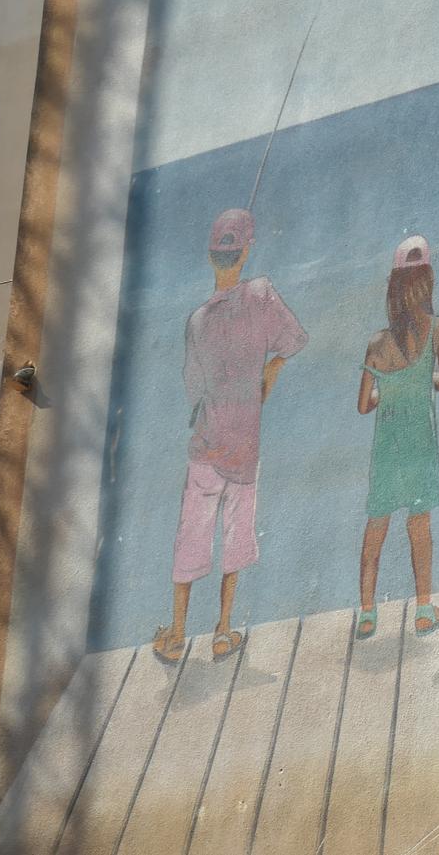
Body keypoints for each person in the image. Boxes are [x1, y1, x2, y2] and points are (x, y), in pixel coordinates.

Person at [154, 208, 306, 664]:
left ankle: (177, 633)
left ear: (210, 257)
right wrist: (262, 386)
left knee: (191, 536)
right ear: (246, 252)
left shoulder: (196, 321)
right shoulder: (261, 295)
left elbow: (193, 388)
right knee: (236, 537)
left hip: (206, 445)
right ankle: (222, 631)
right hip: (245, 445)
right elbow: (291, 343)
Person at [355, 235, 439, 640]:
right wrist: (422, 381)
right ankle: (424, 611)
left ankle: (367, 614)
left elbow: (363, 406)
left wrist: (389, 392)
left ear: (393, 289)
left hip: (387, 448)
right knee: (420, 527)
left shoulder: (377, 344)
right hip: (420, 445)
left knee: (376, 527)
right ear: (427, 283)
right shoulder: (438, 329)